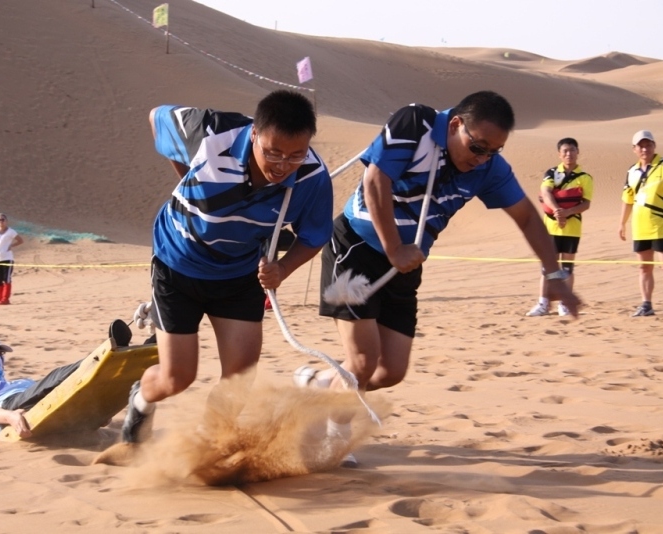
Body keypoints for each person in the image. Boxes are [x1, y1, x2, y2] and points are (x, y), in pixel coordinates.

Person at [294, 91, 581, 467]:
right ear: (457, 125)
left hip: (405, 265)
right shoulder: (416, 124)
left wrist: (554, 273)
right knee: (362, 361)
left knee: (391, 371)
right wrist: (394, 247)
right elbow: (375, 181)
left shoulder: (488, 168)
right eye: (477, 147)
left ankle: (319, 386)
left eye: (493, 151)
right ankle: (335, 439)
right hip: (357, 248)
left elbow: (527, 216)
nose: (481, 158)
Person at [121, 90, 334, 444]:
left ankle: (206, 444)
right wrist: (189, 179)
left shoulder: (312, 177)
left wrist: (281, 270)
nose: (282, 165)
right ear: (254, 133)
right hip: (178, 265)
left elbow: (313, 236)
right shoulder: (211, 134)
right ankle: (140, 401)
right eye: (273, 153)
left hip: (239, 275)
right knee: (177, 378)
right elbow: (157, 116)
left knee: (239, 378)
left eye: (295, 155)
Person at [0, 331, 81, 439]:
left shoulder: (17, 383)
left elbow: (43, 385)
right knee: (57, 376)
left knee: (56, 382)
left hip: (26, 397)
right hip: (8, 407)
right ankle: (93, 361)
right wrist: (9, 416)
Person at [526, 138, 593, 317]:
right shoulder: (551, 173)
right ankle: (543, 303)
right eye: (565, 151)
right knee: (548, 266)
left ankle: (564, 303)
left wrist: (568, 212)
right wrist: (557, 211)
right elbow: (546, 192)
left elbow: (586, 203)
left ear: (578, 152)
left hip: (572, 228)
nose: (568, 154)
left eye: (572, 150)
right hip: (551, 228)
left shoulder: (585, 178)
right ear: (559, 154)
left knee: (567, 267)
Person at [618, 130, 663, 317]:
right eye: (641, 145)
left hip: (661, 224)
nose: (645, 149)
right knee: (644, 267)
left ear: (654, 146)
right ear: (634, 149)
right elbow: (627, 199)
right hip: (640, 226)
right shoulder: (632, 171)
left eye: (648, 144)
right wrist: (622, 223)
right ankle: (646, 304)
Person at [0, 213, 23, 306]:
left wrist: (12, 245)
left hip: (7, 258)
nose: (1, 221)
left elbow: (20, 240)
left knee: (6, 279)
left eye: (3, 220)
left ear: (6, 221)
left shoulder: (11, 232)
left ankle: (5, 299)